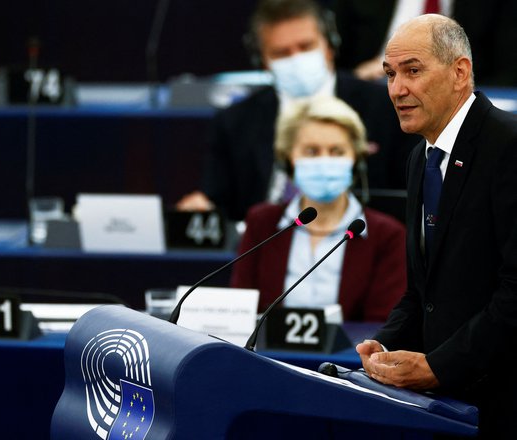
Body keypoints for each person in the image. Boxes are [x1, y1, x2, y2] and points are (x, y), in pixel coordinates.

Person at [356, 14, 517, 438]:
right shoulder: (420, 159)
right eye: (390, 74)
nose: (397, 90)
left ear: (459, 72)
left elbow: (516, 290)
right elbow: (422, 291)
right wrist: (384, 345)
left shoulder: (508, 145)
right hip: (448, 406)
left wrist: (437, 366)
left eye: (413, 71)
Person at [176, 0, 418, 222]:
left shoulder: (385, 107)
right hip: (267, 252)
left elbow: (411, 197)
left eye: (306, 46)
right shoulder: (233, 123)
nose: (296, 59)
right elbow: (216, 206)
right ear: (262, 61)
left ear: (330, 45)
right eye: (281, 53)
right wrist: (201, 209)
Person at [230, 96, 406, 321]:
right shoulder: (261, 223)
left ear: (356, 158)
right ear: (288, 157)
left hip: (349, 356)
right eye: (312, 151)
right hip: (265, 356)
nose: (325, 161)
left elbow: (381, 327)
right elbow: (241, 311)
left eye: (337, 151)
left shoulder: (388, 235)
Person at [333, 0, 517, 85]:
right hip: (374, 87)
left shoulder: (493, 6)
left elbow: (508, 71)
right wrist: (354, 80)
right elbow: (329, 58)